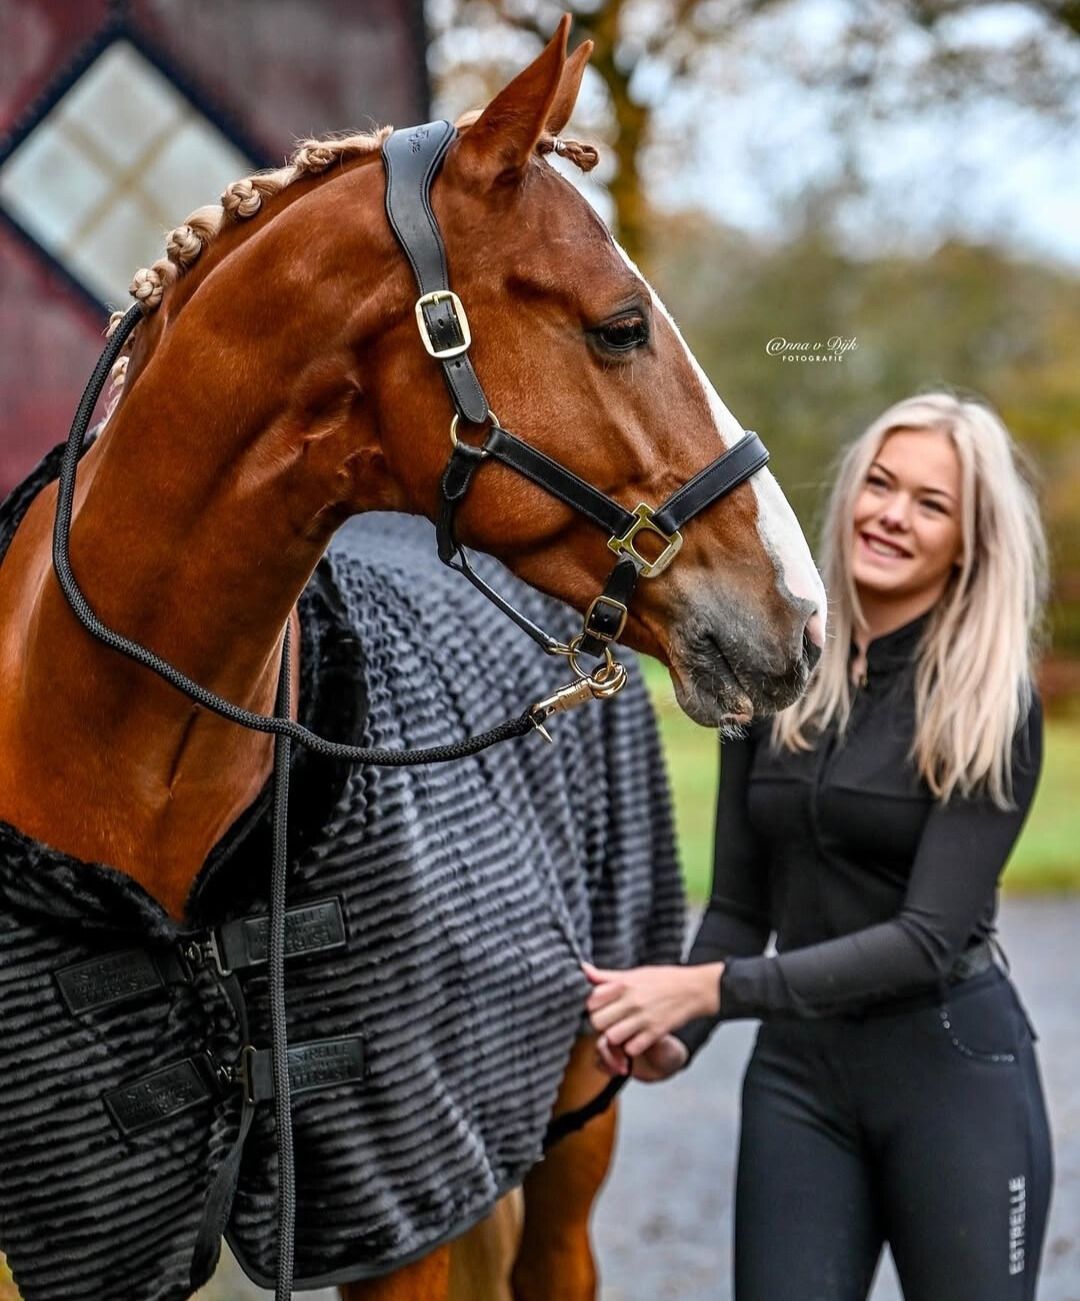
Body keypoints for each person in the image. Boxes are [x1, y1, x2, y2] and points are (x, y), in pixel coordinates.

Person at [584, 393, 1052, 1301]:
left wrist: (706, 987)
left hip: (953, 1080)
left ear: (971, 538)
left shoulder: (993, 704)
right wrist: (681, 1032)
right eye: (880, 484)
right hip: (799, 1085)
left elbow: (926, 940)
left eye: (931, 503)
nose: (891, 514)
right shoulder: (776, 670)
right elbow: (739, 907)